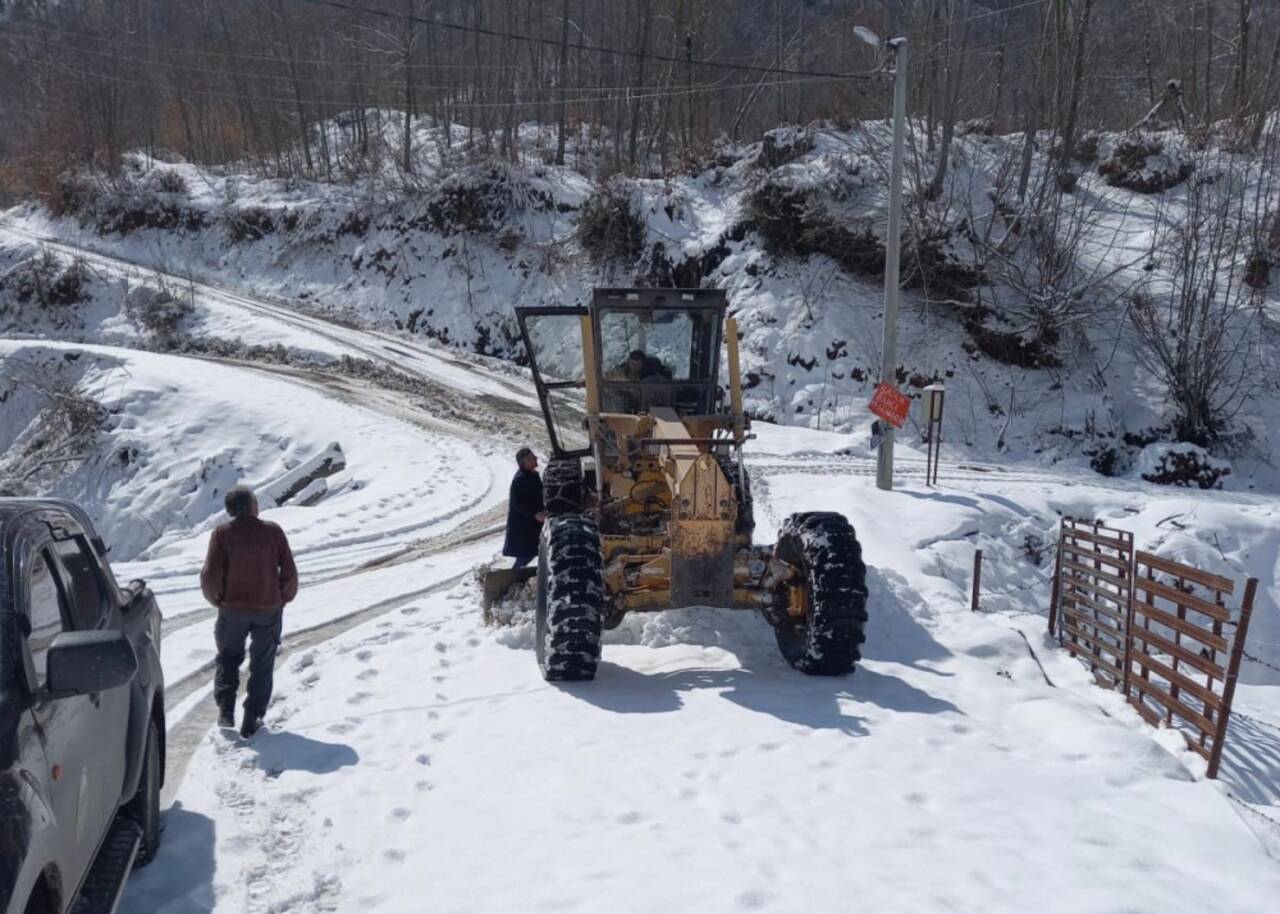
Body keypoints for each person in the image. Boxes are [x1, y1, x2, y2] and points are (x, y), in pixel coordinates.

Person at [200, 485, 298, 738]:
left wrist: (218, 600)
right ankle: (252, 717)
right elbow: (288, 571)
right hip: (268, 609)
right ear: (253, 506)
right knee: (262, 664)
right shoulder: (273, 532)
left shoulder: (222, 534)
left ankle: (225, 709)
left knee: (229, 658)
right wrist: (282, 598)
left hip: (232, 611)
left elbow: (211, 574)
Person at [503, 447, 546, 568]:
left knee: (535, 552)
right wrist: (535, 514)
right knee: (525, 556)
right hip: (523, 528)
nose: (536, 458)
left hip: (532, 525)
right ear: (525, 462)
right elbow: (517, 504)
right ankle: (512, 579)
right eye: (533, 457)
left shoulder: (532, 475)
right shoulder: (520, 480)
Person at [608, 348, 673, 381]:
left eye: (638, 364)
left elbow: (667, 377)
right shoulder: (624, 369)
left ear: (643, 363)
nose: (634, 366)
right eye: (632, 363)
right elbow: (609, 376)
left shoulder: (652, 371)